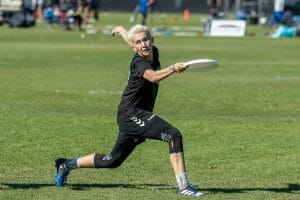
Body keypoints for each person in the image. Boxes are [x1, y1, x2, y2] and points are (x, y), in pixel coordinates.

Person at [54, 24, 205, 197]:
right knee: (173, 135)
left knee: (112, 161)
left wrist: (120, 30)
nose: (143, 45)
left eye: (146, 40)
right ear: (134, 47)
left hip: (135, 115)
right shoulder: (140, 63)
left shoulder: (152, 50)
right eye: (138, 43)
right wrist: (172, 68)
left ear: (152, 39)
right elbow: (153, 76)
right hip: (131, 114)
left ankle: (66, 164)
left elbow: (132, 40)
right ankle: (183, 186)